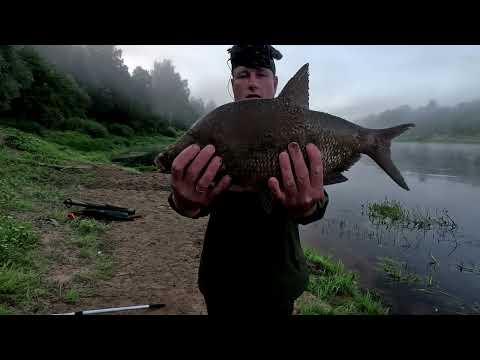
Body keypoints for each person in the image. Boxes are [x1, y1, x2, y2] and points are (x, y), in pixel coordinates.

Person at [167, 45, 329, 315]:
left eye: (261, 74)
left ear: (275, 83)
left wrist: (311, 206)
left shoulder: (299, 130)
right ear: (233, 84)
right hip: (222, 281)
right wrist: (182, 202)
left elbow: (320, 198)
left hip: (279, 283)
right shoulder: (217, 128)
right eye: (243, 75)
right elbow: (192, 202)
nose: (252, 83)